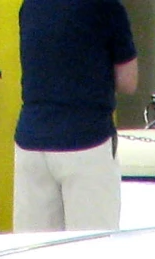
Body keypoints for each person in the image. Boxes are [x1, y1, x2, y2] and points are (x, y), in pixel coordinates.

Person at [14, 0, 137, 233]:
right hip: (85, 139)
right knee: (91, 250)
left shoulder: (30, 5)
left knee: (33, 253)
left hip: (31, 141)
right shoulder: (106, 6)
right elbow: (128, 82)